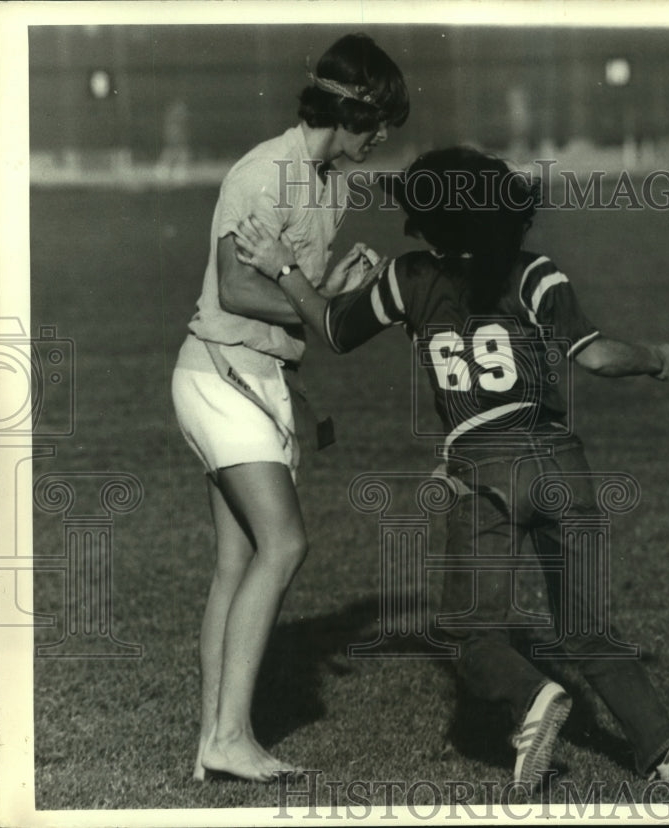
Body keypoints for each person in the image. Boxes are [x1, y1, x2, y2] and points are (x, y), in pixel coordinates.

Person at [232, 147, 669, 788]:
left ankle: (532, 696)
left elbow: (335, 330)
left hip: (484, 468)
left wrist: (284, 268)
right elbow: (597, 358)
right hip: (562, 461)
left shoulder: (410, 277)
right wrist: (658, 357)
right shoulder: (536, 273)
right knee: (588, 629)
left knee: (471, 633)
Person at [170, 33, 409, 783]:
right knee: (286, 544)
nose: (381, 140)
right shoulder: (262, 173)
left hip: (260, 379)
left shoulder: (334, 186)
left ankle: (214, 738)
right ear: (350, 111)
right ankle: (230, 736)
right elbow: (240, 290)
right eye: (377, 125)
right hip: (220, 373)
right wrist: (315, 303)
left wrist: (332, 287)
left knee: (236, 563)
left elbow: (300, 301)